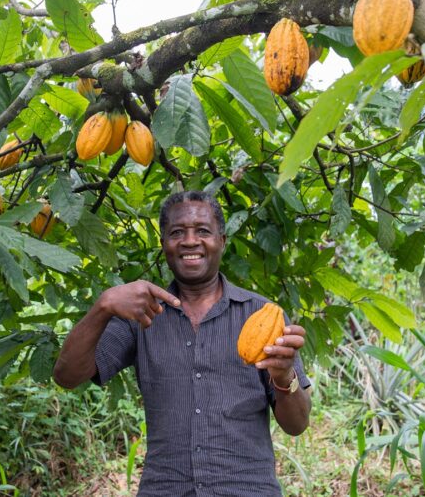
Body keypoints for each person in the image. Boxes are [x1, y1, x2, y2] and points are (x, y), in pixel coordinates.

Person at [52, 190, 312, 496]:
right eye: (177, 232)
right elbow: (66, 376)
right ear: (164, 245)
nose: (190, 241)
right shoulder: (140, 315)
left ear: (222, 241)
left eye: (203, 231)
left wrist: (284, 379)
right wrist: (104, 305)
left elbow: (297, 424)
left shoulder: (262, 315)